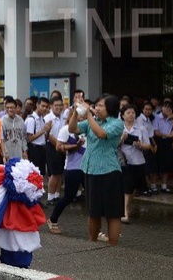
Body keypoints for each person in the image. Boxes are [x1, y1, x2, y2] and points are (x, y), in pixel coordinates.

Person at [68, 94, 124, 246]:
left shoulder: (117, 123)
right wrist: (75, 111)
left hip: (109, 171)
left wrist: (88, 114)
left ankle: (113, 244)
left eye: (101, 106)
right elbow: (72, 128)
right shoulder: (93, 121)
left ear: (110, 108)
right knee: (93, 211)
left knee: (112, 213)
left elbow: (101, 134)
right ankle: (92, 242)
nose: (97, 108)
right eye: (96, 105)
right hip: (91, 170)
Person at [47, 110, 86, 234]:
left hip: (88, 168)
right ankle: (53, 219)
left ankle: (97, 230)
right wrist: (76, 146)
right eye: (79, 115)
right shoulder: (66, 130)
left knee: (93, 197)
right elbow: (59, 147)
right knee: (69, 197)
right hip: (72, 168)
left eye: (84, 115)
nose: (81, 118)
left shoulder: (89, 129)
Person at [119, 104, 152, 224]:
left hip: (138, 161)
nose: (131, 115)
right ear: (122, 115)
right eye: (128, 113)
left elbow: (148, 146)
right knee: (127, 187)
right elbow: (112, 145)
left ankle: (127, 207)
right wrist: (121, 138)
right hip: (124, 162)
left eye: (133, 113)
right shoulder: (119, 128)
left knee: (133, 188)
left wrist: (140, 145)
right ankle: (124, 213)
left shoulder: (141, 128)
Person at [152, 100, 173, 193]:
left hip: (168, 142)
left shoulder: (171, 117)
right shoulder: (156, 117)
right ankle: (153, 185)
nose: (167, 109)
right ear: (162, 108)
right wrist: (169, 135)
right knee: (156, 164)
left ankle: (164, 185)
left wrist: (172, 118)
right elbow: (156, 132)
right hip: (158, 141)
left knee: (166, 164)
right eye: (165, 107)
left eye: (169, 108)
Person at [45, 95, 66, 205]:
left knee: (59, 172)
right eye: (56, 105)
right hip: (52, 147)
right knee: (53, 173)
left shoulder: (63, 117)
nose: (58, 107)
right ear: (51, 106)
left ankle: (57, 194)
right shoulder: (48, 118)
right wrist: (59, 145)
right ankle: (50, 197)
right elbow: (49, 136)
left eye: (60, 105)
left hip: (62, 147)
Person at [25, 97, 52, 177]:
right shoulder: (31, 119)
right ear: (37, 105)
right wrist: (43, 130)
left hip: (42, 148)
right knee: (34, 173)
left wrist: (48, 130)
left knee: (41, 173)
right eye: (42, 106)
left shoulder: (42, 119)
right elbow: (30, 138)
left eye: (46, 107)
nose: (44, 108)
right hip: (34, 149)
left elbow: (44, 137)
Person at [0, 96, 27, 162]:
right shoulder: (1, 121)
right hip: (8, 154)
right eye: (7, 108)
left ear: (16, 108)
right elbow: (1, 140)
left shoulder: (21, 121)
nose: (10, 110)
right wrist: (5, 154)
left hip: (19, 153)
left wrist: (25, 150)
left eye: (12, 108)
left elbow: (23, 137)